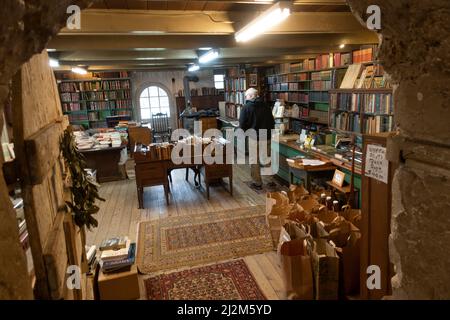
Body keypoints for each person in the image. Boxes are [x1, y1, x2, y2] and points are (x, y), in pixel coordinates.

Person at [239, 88, 275, 190]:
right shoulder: (266, 106)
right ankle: (269, 181)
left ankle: (257, 183)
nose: (245, 98)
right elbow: (272, 122)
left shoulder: (246, 108)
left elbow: (242, 125)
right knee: (266, 159)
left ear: (250, 96)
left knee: (254, 161)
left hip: (253, 137)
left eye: (246, 96)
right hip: (266, 137)